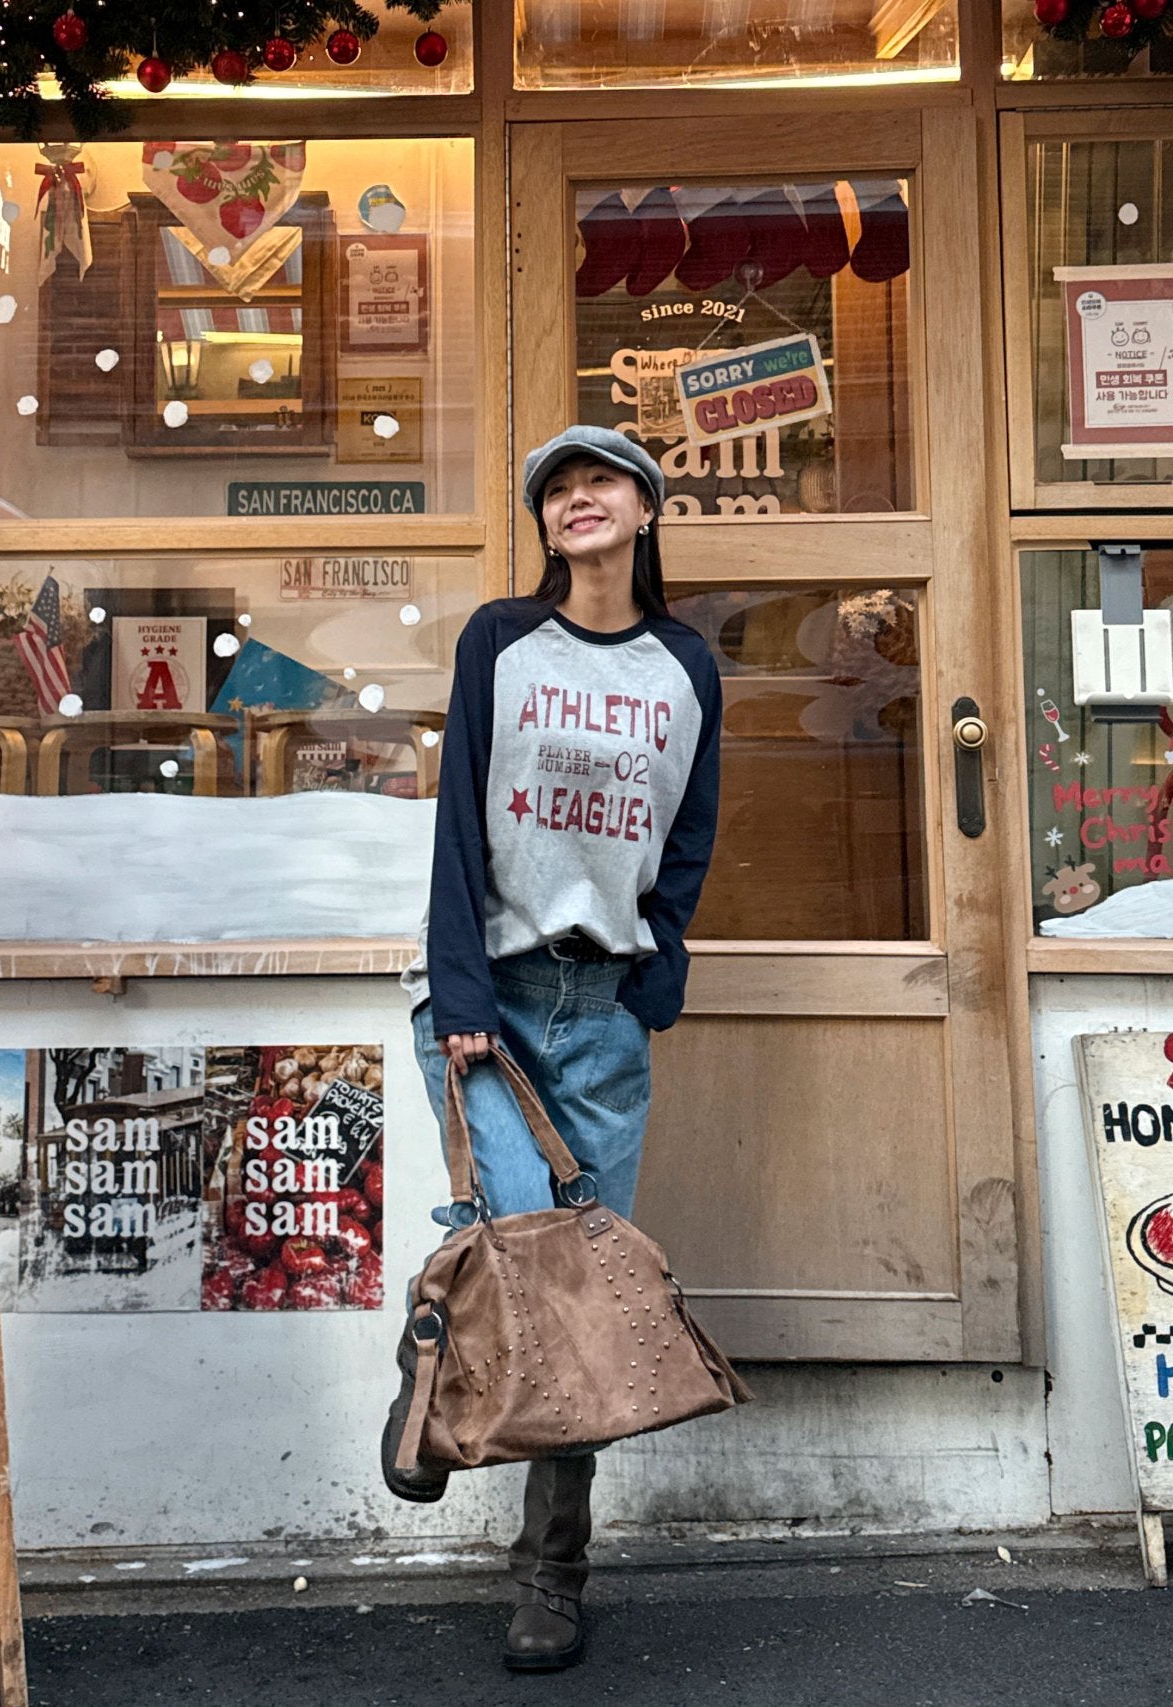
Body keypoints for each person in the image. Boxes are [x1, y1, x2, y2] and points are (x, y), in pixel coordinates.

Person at [383, 424, 723, 1672]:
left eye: (601, 483)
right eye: (557, 489)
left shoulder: (686, 664)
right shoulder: (498, 642)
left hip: (606, 1001)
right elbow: (458, 825)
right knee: (507, 1252)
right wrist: (461, 985)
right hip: (497, 996)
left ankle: (553, 1575)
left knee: (581, 1304)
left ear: (644, 509)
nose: (578, 500)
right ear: (546, 524)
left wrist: (659, 970)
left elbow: (689, 826)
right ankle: (425, 1389)